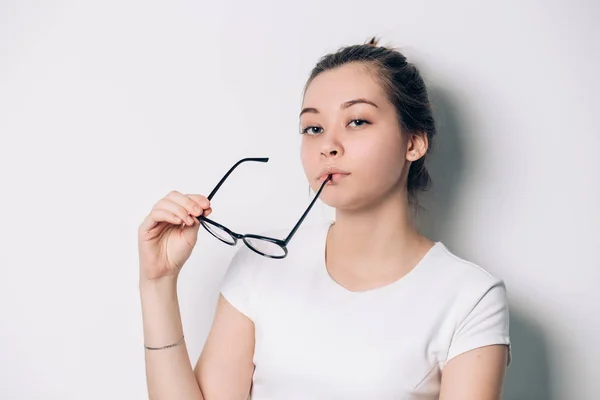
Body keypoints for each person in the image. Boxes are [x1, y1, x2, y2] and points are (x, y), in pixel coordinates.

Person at [138, 37, 511, 400]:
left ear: (414, 142)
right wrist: (158, 283)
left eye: (357, 121)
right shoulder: (260, 262)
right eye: (313, 128)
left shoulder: (470, 298)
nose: (328, 145)